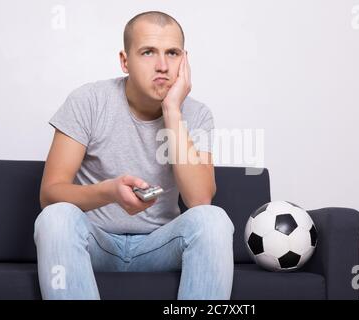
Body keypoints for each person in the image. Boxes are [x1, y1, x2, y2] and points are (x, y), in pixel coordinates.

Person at [34, 10, 234, 300]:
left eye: (173, 53)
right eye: (148, 52)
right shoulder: (88, 101)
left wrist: (172, 111)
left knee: (213, 220)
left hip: (159, 246)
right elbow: (49, 194)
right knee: (55, 218)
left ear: (185, 60)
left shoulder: (197, 113)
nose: (163, 65)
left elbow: (199, 199)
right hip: (96, 243)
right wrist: (110, 192)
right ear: (125, 61)